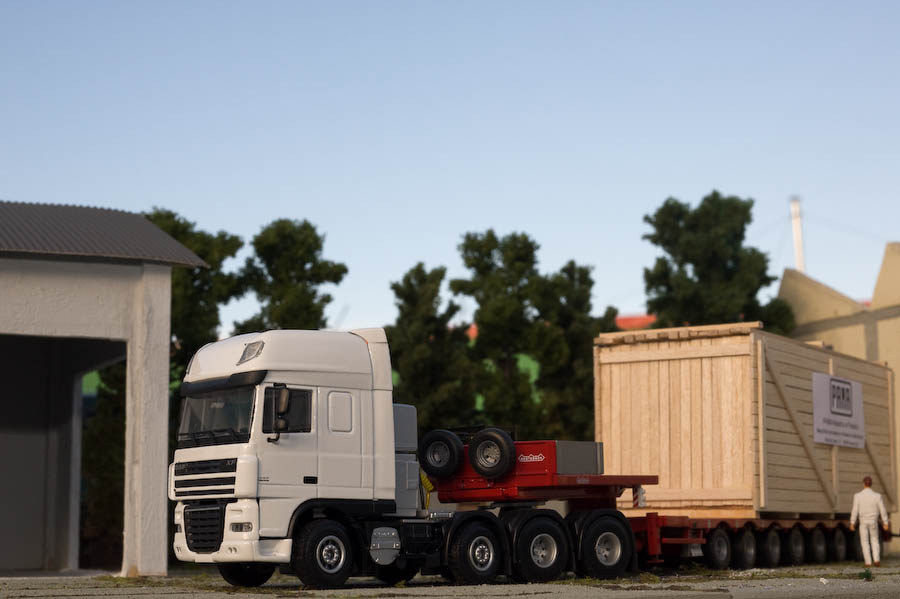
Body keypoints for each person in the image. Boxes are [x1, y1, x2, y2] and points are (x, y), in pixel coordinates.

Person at [850, 476, 889, 567]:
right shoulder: (877, 496)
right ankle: (876, 560)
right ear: (871, 484)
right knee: (875, 540)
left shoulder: (858, 496)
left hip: (863, 521)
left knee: (864, 541)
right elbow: (882, 509)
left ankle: (868, 562)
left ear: (863, 484)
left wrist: (852, 522)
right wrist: (885, 522)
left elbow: (855, 510)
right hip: (873, 521)